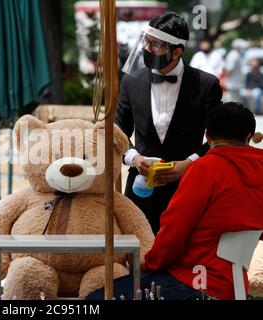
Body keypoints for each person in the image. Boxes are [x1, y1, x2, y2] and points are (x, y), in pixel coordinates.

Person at [88, 102, 263, 300]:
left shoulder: (205, 168)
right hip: (235, 285)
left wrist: (149, 264)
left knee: (94, 298)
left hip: (194, 281)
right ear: (248, 137)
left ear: (208, 137)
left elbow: (175, 229)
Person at [115, 12, 223, 234]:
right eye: (146, 41)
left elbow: (219, 139)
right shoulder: (131, 81)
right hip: (140, 188)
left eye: (156, 45)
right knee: (137, 255)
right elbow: (119, 133)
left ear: (177, 52)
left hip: (189, 189)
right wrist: (134, 158)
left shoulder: (206, 84)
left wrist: (188, 164)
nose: (147, 48)